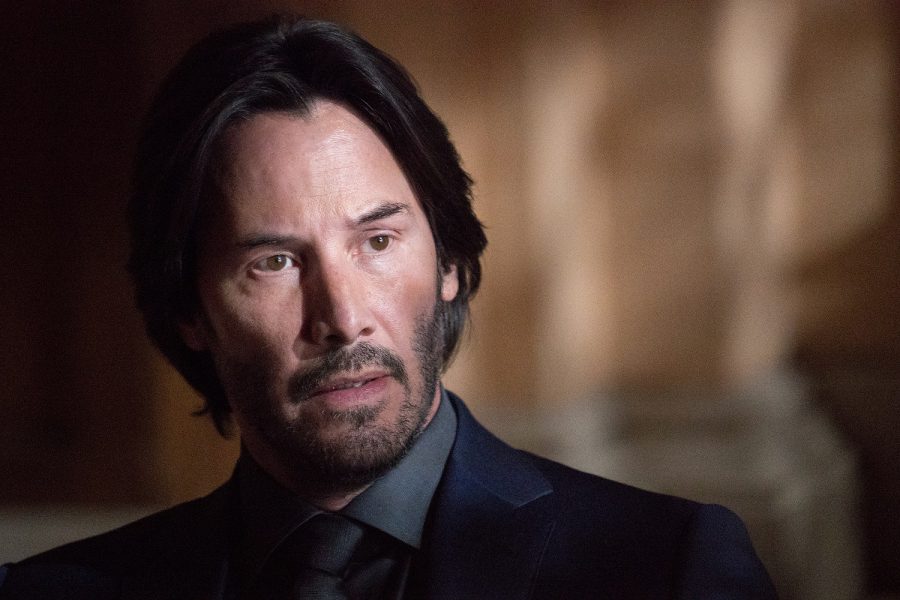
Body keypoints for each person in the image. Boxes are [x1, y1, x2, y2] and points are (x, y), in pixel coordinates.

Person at [0, 16, 777, 599]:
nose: (343, 319)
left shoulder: (663, 568)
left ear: (449, 263)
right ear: (189, 314)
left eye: (376, 241)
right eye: (275, 262)